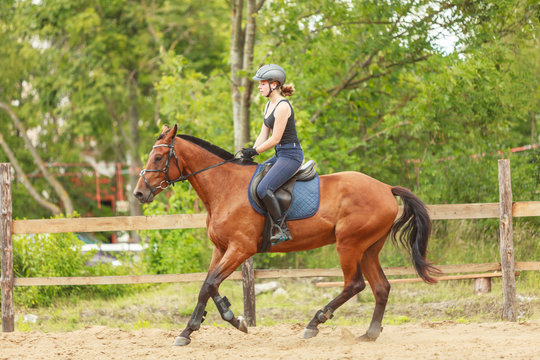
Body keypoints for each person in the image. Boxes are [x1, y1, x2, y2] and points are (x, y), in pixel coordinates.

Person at [241, 64, 304, 242]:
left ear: (274, 84)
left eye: (262, 83)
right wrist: (250, 155)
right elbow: (263, 134)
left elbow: (275, 139)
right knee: (254, 177)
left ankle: (282, 229)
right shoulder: (269, 105)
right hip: (280, 155)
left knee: (263, 188)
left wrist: (256, 150)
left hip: (291, 156)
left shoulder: (283, 107)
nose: (259, 87)